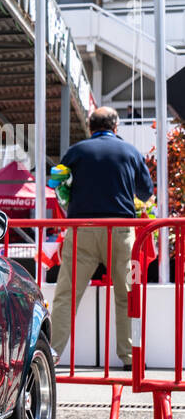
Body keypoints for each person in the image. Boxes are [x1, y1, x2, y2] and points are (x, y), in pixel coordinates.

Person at [49, 106, 155, 370]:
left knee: (66, 296)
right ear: (116, 127)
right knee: (128, 295)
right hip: (120, 232)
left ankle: (51, 354)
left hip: (81, 230)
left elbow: (56, 183)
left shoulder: (76, 152)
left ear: (90, 126)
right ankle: (132, 356)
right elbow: (145, 193)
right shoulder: (130, 152)